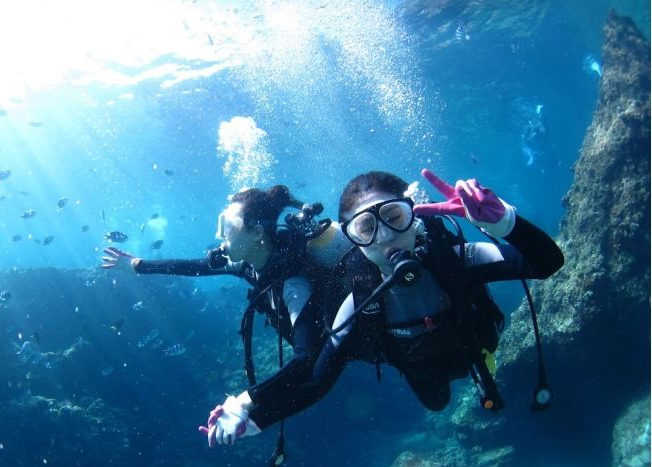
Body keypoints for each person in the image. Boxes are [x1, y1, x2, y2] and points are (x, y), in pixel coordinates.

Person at [200, 169, 565, 446]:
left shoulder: (455, 259)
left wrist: (504, 222)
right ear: (352, 239)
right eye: (366, 227)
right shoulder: (359, 303)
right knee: (437, 403)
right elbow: (315, 381)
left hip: (473, 343)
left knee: (481, 366)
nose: (386, 236)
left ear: (414, 214)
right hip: (418, 366)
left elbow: (545, 263)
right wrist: (250, 417)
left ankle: (483, 365)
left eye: (394, 217)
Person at [102, 185, 352, 451]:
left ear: (257, 233)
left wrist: (242, 403)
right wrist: (137, 266)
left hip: (353, 337)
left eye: (227, 227)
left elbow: (307, 362)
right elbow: (194, 267)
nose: (219, 236)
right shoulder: (250, 263)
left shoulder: (294, 285)